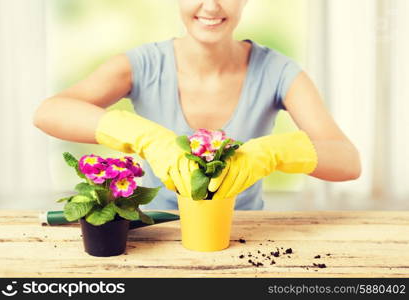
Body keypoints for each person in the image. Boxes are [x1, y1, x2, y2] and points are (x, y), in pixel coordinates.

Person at [33, 0, 361, 210]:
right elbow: (49, 112)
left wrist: (272, 153)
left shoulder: (278, 72)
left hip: (249, 238)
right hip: (158, 234)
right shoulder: (143, 65)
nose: (211, 6)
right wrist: (142, 134)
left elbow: (348, 161)